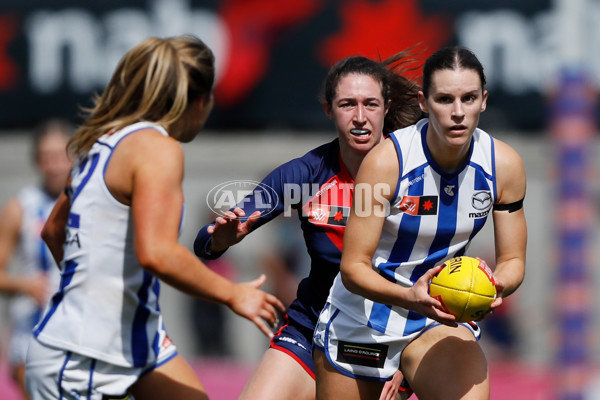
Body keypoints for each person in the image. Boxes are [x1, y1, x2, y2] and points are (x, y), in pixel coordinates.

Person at [24, 35, 285, 400]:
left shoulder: (99, 143)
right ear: (198, 101)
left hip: (136, 339)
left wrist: (111, 299)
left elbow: (55, 231)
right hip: (82, 358)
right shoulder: (157, 149)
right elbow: (157, 253)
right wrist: (233, 294)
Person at [194, 52, 424, 400]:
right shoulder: (305, 175)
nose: (360, 117)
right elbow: (204, 244)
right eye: (347, 104)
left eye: (370, 104)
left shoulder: (418, 178)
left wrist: (409, 368)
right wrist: (221, 239)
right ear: (329, 110)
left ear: (386, 108)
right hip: (312, 327)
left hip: (394, 337)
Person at [313, 45, 527, 400]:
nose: (458, 112)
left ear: (484, 100)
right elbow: (352, 268)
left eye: (469, 98)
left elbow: (514, 262)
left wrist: (490, 287)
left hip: (437, 319)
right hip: (362, 322)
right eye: (445, 99)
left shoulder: (504, 165)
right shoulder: (385, 163)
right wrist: (410, 297)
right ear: (424, 102)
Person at [0, 120, 73, 400]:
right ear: (36, 161)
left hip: (78, 330)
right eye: (46, 158)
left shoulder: (88, 202)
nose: (54, 166)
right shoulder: (21, 207)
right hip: (31, 332)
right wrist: (25, 284)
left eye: (60, 156)